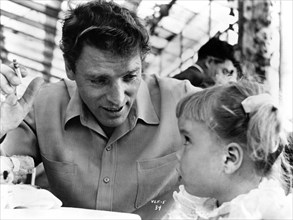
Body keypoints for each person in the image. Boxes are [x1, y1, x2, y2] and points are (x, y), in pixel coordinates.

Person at [0, 0, 200, 218]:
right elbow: (7, 172)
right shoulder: (42, 106)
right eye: (99, 80)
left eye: (130, 77)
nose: (117, 98)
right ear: (69, 68)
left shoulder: (183, 102)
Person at [164, 80, 292, 219]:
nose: (177, 154)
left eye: (187, 140)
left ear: (230, 158)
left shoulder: (261, 215)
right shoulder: (201, 208)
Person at [173, 37, 240, 88]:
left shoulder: (187, 75)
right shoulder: (198, 81)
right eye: (224, 72)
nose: (225, 78)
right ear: (209, 62)